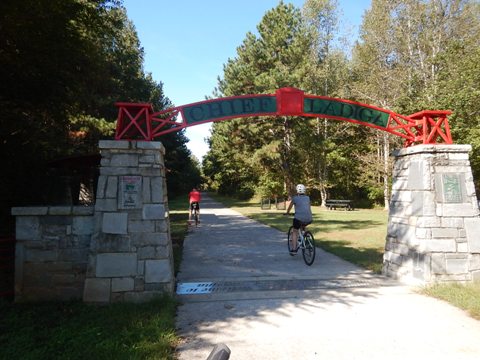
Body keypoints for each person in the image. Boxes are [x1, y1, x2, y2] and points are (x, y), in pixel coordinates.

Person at [285, 184, 312, 255]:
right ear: (304, 191)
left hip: (298, 218)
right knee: (303, 225)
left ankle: (294, 249)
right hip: (309, 218)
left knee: (295, 231)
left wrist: (287, 213)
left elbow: (289, 208)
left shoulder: (295, 198)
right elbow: (308, 208)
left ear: (297, 191)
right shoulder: (307, 198)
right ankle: (307, 239)